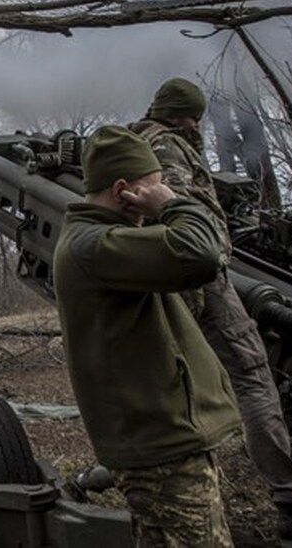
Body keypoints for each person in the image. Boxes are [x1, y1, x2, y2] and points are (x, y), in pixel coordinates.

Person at [130, 77, 292, 541]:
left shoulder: (137, 142)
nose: (198, 123)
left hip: (180, 280)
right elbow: (175, 210)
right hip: (201, 278)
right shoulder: (166, 145)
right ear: (180, 114)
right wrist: (208, 258)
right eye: (194, 115)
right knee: (253, 377)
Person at [53, 125, 241, 547]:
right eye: (152, 187)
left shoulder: (107, 240)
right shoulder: (95, 245)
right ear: (123, 190)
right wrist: (173, 204)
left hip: (158, 441)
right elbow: (200, 255)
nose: (159, 194)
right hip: (159, 449)